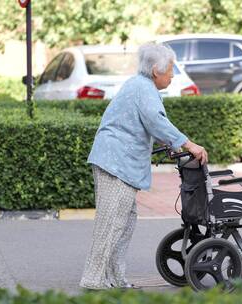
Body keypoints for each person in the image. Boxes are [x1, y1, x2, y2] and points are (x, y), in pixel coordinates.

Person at [79, 42, 208, 290]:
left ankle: (114, 278)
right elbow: (156, 121)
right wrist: (188, 144)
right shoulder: (143, 89)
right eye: (170, 69)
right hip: (114, 162)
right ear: (156, 71)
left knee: (125, 222)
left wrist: (172, 144)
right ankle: (94, 278)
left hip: (118, 162)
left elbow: (150, 124)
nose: (172, 75)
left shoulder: (142, 87)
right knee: (112, 222)